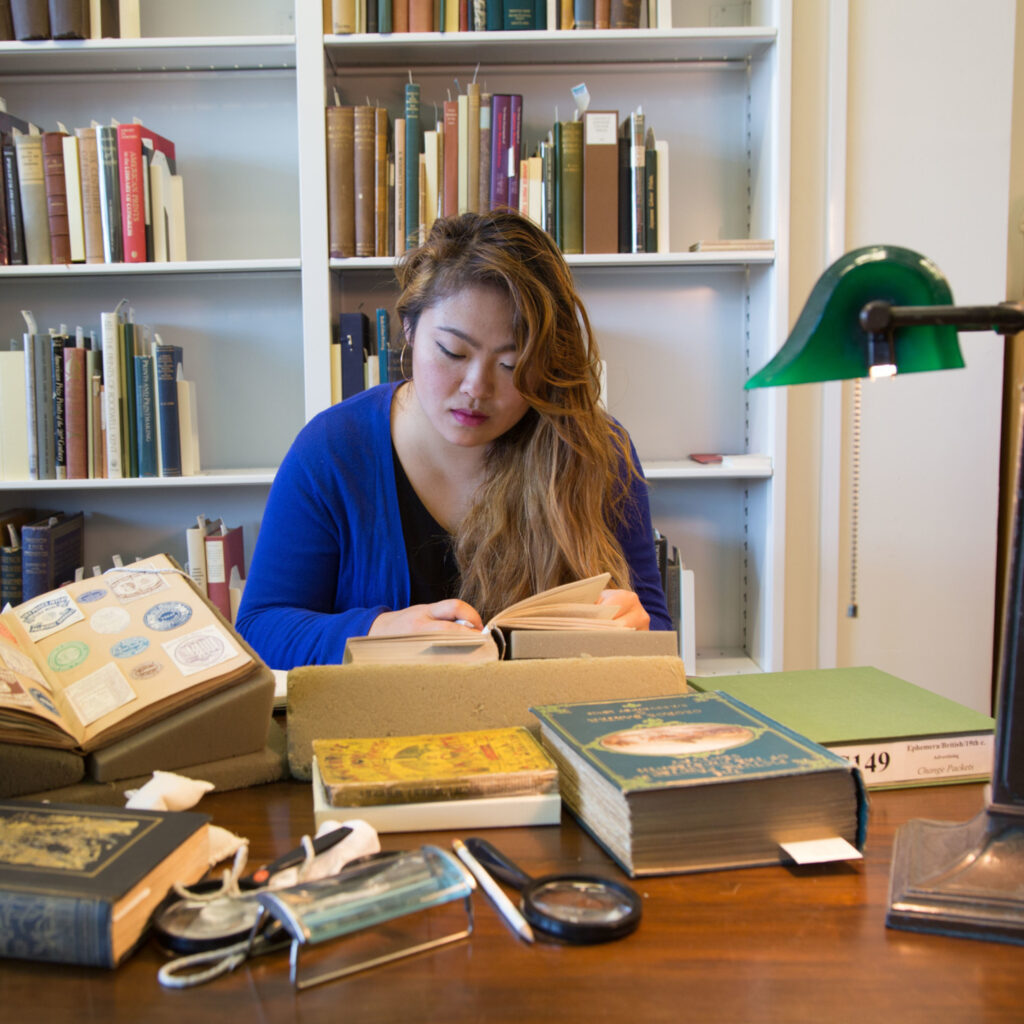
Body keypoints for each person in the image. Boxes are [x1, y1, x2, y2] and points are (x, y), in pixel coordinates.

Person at [236, 210, 671, 670]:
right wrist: (375, 632)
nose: (477, 388)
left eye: (511, 365)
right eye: (453, 352)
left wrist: (633, 628)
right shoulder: (332, 450)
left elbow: (656, 630)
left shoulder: (596, 449)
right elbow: (259, 628)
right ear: (408, 329)